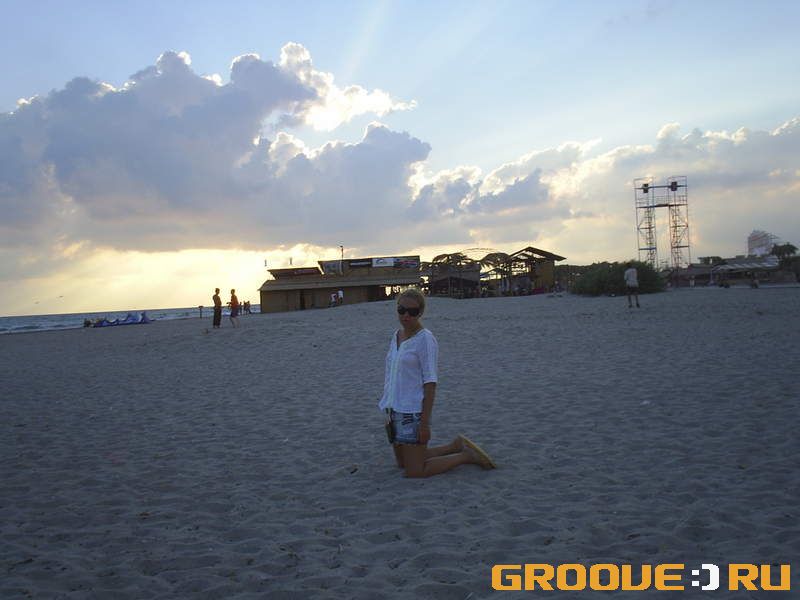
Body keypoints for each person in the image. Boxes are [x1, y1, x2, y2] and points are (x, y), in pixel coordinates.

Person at [378, 287, 496, 478]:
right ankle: (454, 446)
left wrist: (424, 424)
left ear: (420, 313)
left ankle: (466, 456)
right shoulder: (396, 336)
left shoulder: (425, 339)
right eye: (402, 310)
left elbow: (430, 383)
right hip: (393, 408)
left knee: (415, 471)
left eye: (412, 311)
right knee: (402, 463)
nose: (406, 315)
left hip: (412, 412)